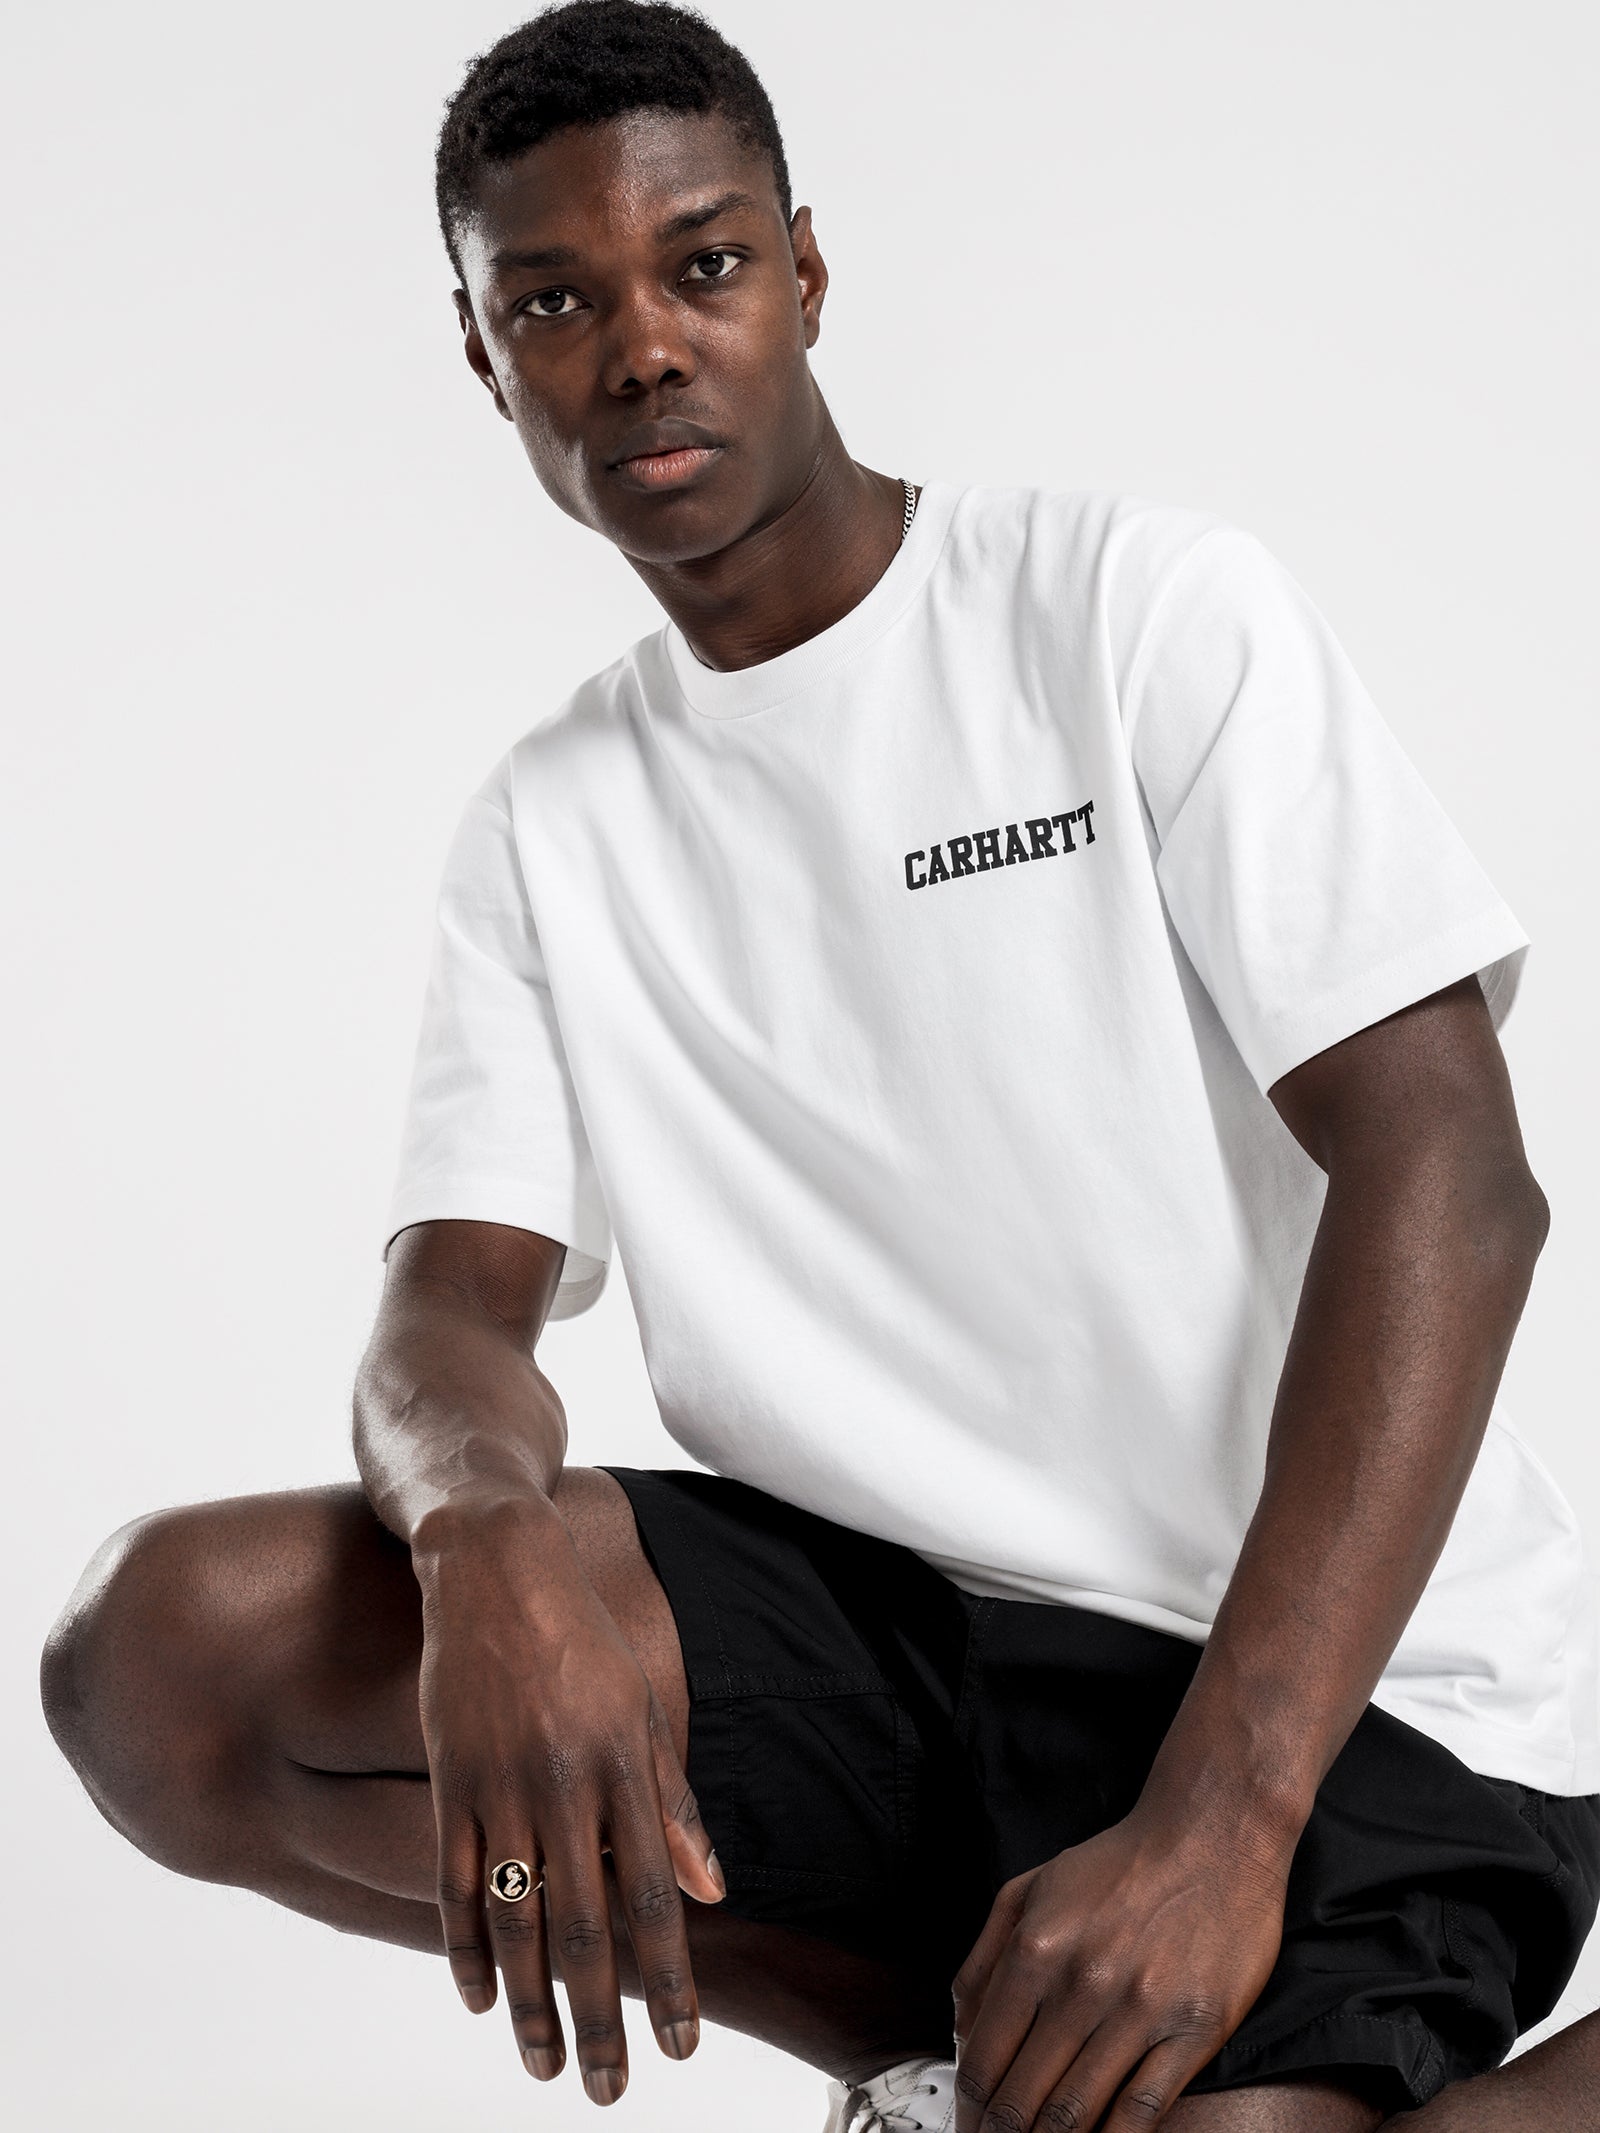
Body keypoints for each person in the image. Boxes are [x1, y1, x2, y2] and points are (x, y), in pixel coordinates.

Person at [39, 4, 1600, 2128]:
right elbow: (449, 1312)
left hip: (1356, 1680)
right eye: (552, 302)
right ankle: (916, 2066)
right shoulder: (548, 822)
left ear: (805, 271)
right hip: (915, 1652)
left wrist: (1218, 1820)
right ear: (484, 359)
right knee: (167, 1660)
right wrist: (483, 1533)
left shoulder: (1127, 612)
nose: (639, 350)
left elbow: (1455, 1182)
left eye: (702, 264)